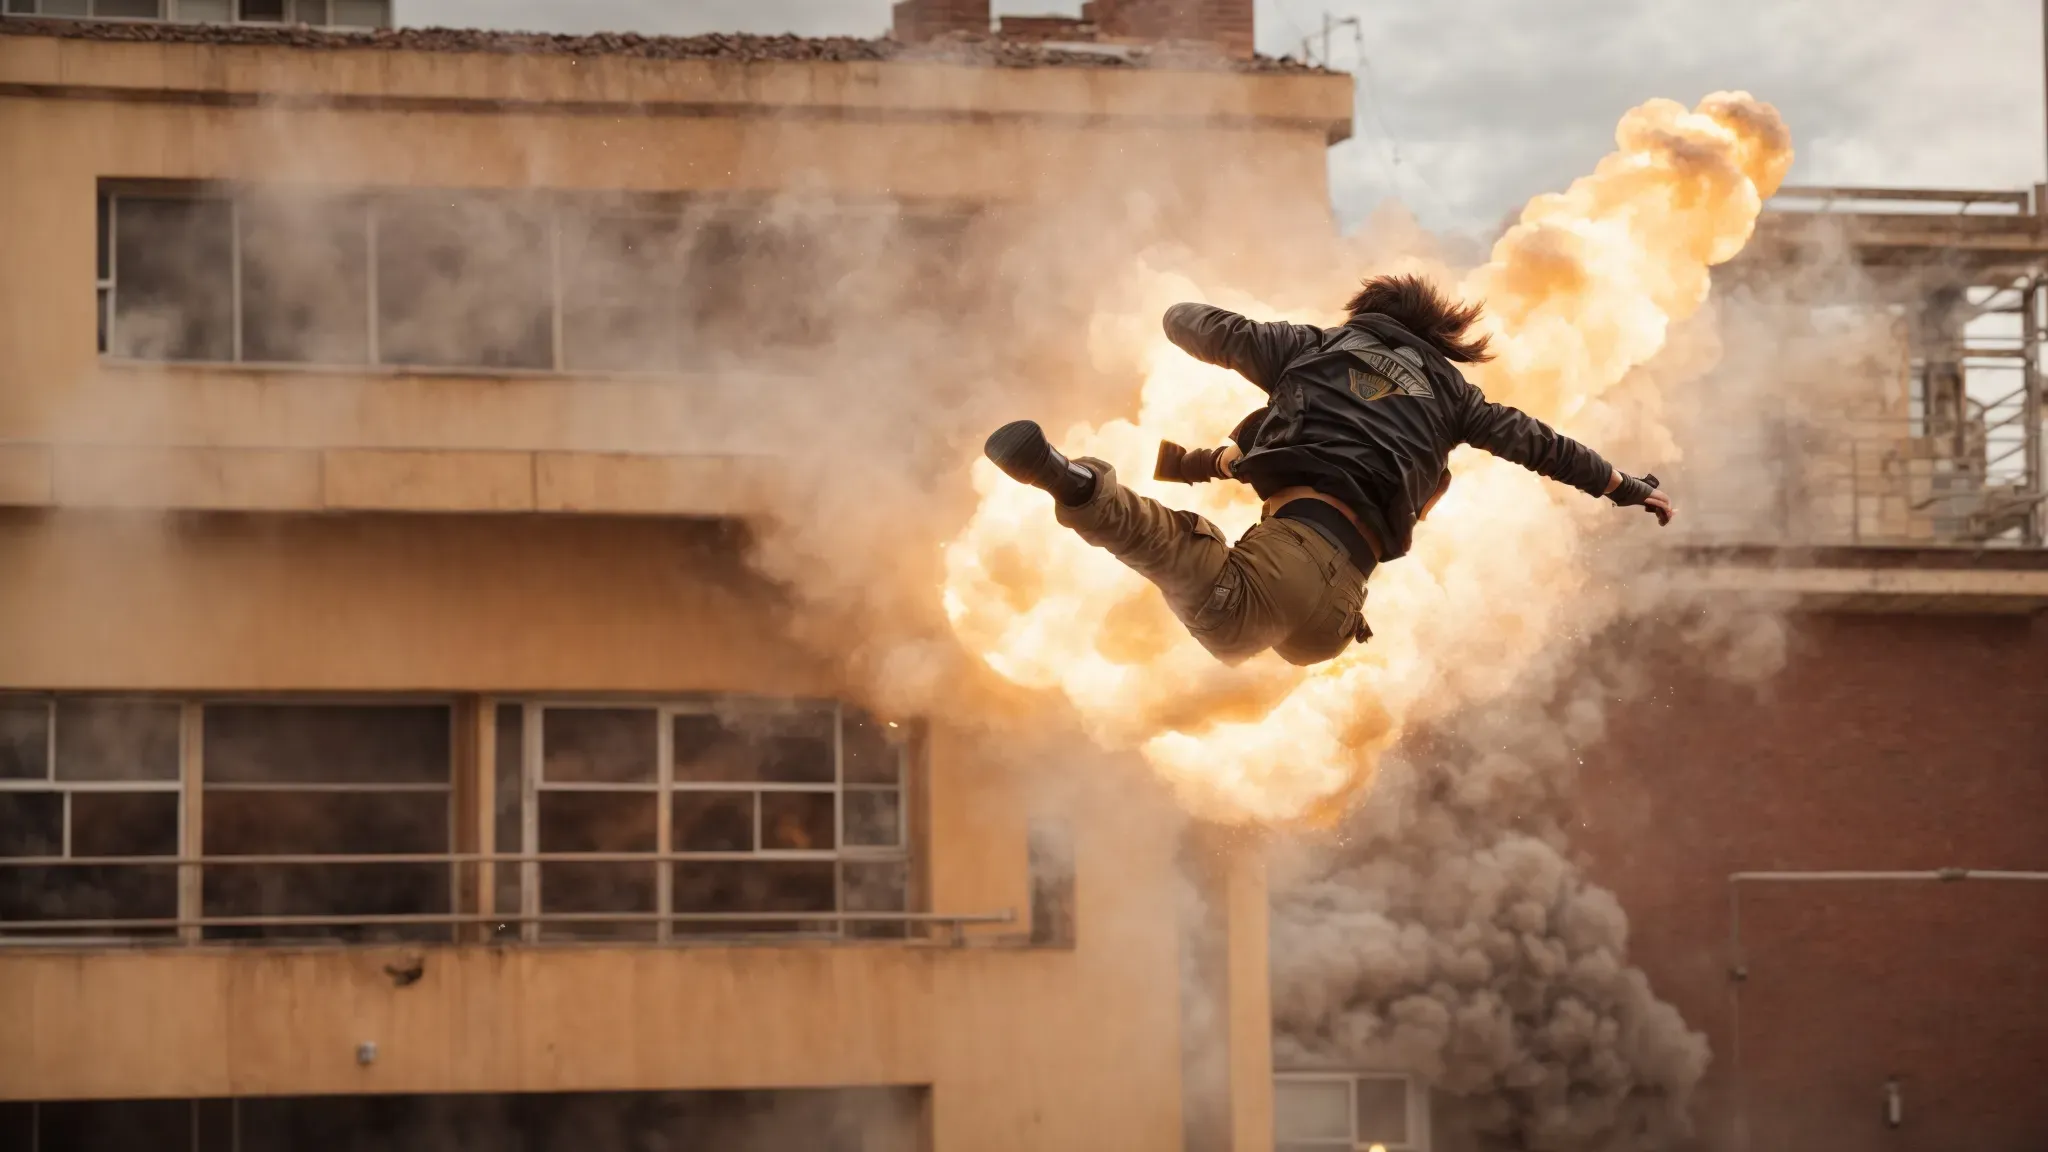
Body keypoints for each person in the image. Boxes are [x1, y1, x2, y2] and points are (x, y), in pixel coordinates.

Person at [982, 273, 1674, 668]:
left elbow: (1187, 323)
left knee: (1179, 552)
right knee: (1276, 490)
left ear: (1364, 317)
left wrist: (1205, 324)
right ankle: (1216, 472)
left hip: (1284, 571)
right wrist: (1627, 488)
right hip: (1334, 621)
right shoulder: (1457, 397)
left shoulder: (1310, 348)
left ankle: (1074, 484)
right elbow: (1547, 446)